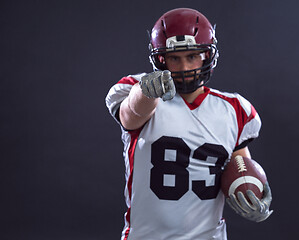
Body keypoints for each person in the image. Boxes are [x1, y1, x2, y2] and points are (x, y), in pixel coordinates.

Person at [105, 8, 273, 240]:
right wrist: (146, 92)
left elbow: (240, 166)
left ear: (206, 55)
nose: (184, 68)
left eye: (191, 56)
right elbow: (129, 115)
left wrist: (253, 192)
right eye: (175, 58)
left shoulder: (234, 109)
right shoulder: (142, 90)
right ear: (161, 59)